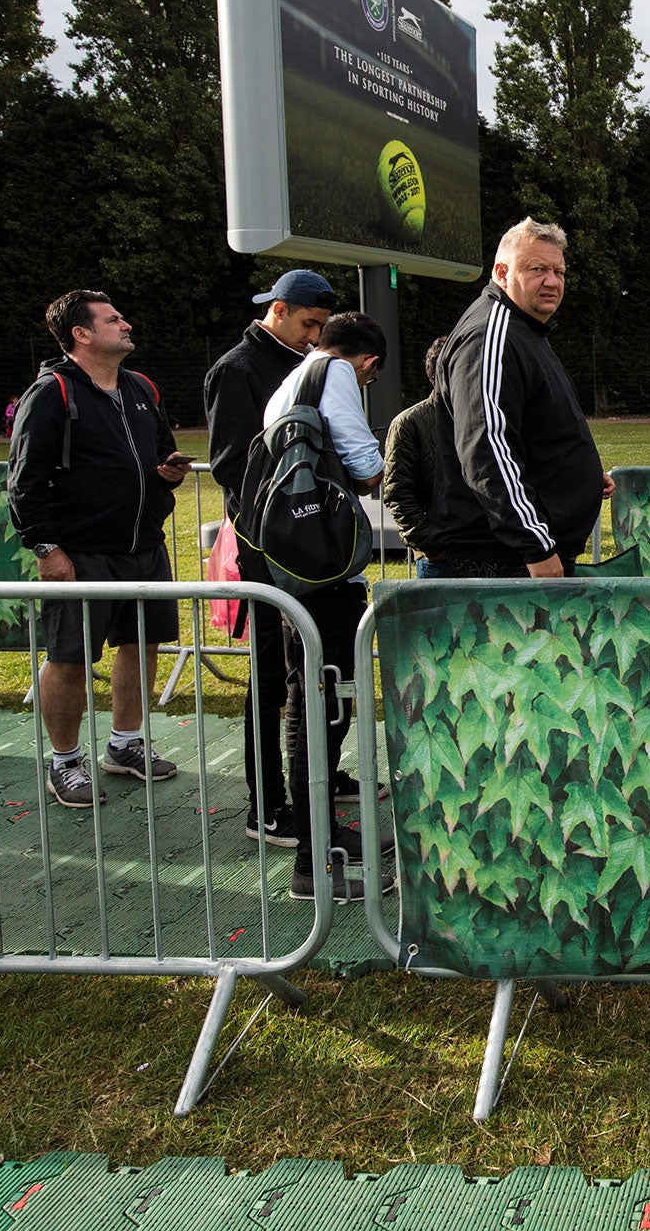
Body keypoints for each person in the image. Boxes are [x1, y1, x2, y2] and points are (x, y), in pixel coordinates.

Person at [7, 291, 188, 808]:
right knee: (69, 656)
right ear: (81, 335)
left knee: (142, 644)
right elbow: (24, 482)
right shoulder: (51, 392)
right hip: (80, 551)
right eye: (113, 319)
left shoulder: (141, 387)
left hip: (144, 546)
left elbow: (157, 458)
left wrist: (166, 474)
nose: (126, 324)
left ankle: (125, 744)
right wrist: (47, 548)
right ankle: (64, 761)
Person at [259, 311, 394, 903]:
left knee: (308, 701)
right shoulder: (334, 373)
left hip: (293, 565)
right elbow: (364, 465)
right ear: (366, 363)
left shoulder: (291, 380)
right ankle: (317, 863)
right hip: (324, 573)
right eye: (370, 379)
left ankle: (324, 842)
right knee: (320, 706)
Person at [203, 268, 338, 846]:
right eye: (309, 324)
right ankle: (267, 804)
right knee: (270, 679)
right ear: (278, 310)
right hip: (264, 550)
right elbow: (232, 465)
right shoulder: (235, 371)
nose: (315, 337)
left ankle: (317, 778)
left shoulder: (300, 364)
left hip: (306, 546)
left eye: (322, 328)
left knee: (310, 670)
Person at [429, 218, 613, 578]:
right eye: (537, 269)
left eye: (559, 271)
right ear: (501, 272)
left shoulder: (523, 330)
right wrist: (537, 547)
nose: (552, 281)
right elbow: (488, 451)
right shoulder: (490, 336)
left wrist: (585, 479)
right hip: (507, 559)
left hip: (522, 552)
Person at [383, 337, 451, 577]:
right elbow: (397, 492)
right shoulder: (408, 423)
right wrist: (430, 546)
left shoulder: (489, 417)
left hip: (489, 553)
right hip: (440, 558)